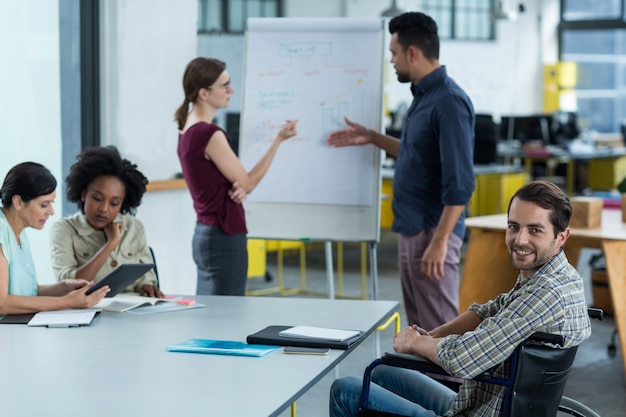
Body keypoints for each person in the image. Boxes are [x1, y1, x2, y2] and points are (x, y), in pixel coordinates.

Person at [329, 180, 592, 417]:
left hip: (487, 411)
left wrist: (415, 344)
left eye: (535, 230)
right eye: (514, 226)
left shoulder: (546, 294)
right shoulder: (556, 275)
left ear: (561, 237)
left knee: (347, 390)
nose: (520, 239)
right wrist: (430, 337)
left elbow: (462, 359)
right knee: (384, 372)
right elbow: (488, 310)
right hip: (486, 403)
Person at [327, 11, 475, 330]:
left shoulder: (449, 102)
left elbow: (460, 184)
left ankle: (444, 384)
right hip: (412, 229)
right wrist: (372, 137)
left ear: (412, 52)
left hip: (433, 230)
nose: (391, 61)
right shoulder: (422, 98)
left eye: (393, 53)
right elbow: (415, 154)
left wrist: (439, 241)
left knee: (439, 331)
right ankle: (424, 381)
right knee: (419, 329)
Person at [174, 57, 297, 296]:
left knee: (212, 312)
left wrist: (233, 187)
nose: (231, 90)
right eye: (225, 85)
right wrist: (279, 140)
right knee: (226, 317)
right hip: (222, 236)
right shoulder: (209, 134)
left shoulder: (186, 128)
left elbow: (217, 180)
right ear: (204, 93)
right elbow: (248, 183)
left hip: (206, 233)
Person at [49, 146, 162, 298]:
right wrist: (111, 243)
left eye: (114, 203)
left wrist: (147, 286)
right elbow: (68, 285)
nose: (104, 208)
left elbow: (147, 276)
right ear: (83, 194)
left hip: (131, 313)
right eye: (97, 198)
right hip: (87, 312)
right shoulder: (64, 229)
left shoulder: (134, 227)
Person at [0, 162, 109, 314]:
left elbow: (29, 294)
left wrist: (65, 287)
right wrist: (67, 301)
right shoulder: (1, 230)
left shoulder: (20, 234)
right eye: (44, 205)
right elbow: (2, 303)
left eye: (52, 203)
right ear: (18, 202)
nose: (51, 211)